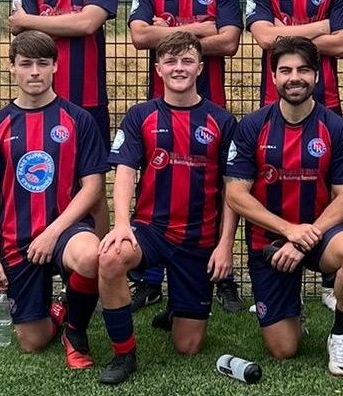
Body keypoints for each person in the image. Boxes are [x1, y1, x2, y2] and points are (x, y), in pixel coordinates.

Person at [94, 33, 239, 384]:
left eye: (187, 61)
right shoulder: (140, 115)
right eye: (171, 61)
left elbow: (233, 190)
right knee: (111, 258)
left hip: (198, 239)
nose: (179, 68)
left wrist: (225, 245)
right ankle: (124, 354)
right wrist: (122, 224)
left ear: (200, 67)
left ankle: (177, 307)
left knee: (188, 346)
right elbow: (125, 171)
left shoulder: (222, 121)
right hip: (150, 231)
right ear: (158, 68)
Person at [125, 0, 246, 314]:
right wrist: (203, 29)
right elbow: (140, 36)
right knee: (157, 182)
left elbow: (229, 42)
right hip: (160, 109)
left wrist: (170, 33)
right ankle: (148, 278)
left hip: (210, 107)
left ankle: (223, 276)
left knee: (217, 186)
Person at [224, 37, 343, 375]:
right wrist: (289, 231)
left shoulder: (334, 127)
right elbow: (236, 195)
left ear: (316, 76)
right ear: (273, 76)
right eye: (285, 70)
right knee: (283, 349)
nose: (295, 77)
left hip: (320, 236)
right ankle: (293, 308)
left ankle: (341, 336)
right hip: (270, 244)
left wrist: (308, 235)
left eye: (303, 69)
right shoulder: (252, 126)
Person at [0, 31, 110, 371]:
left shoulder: (78, 119)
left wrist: (52, 232)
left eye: (42, 64)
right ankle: (59, 310)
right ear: (12, 69)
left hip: (66, 229)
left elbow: (92, 188)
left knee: (91, 256)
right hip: (18, 239)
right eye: (26, 64)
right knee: (32, 343)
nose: (35, 72)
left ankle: (75, 332)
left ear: (55, 67)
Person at [10, 0, 120, 228]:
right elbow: (23, 38)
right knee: (41, 179)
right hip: (38, 99)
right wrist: (69, 20)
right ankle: (41, 251)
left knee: (94, 186)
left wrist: (32, 19)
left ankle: (98, 268)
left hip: (89, 100)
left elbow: (88, 24)